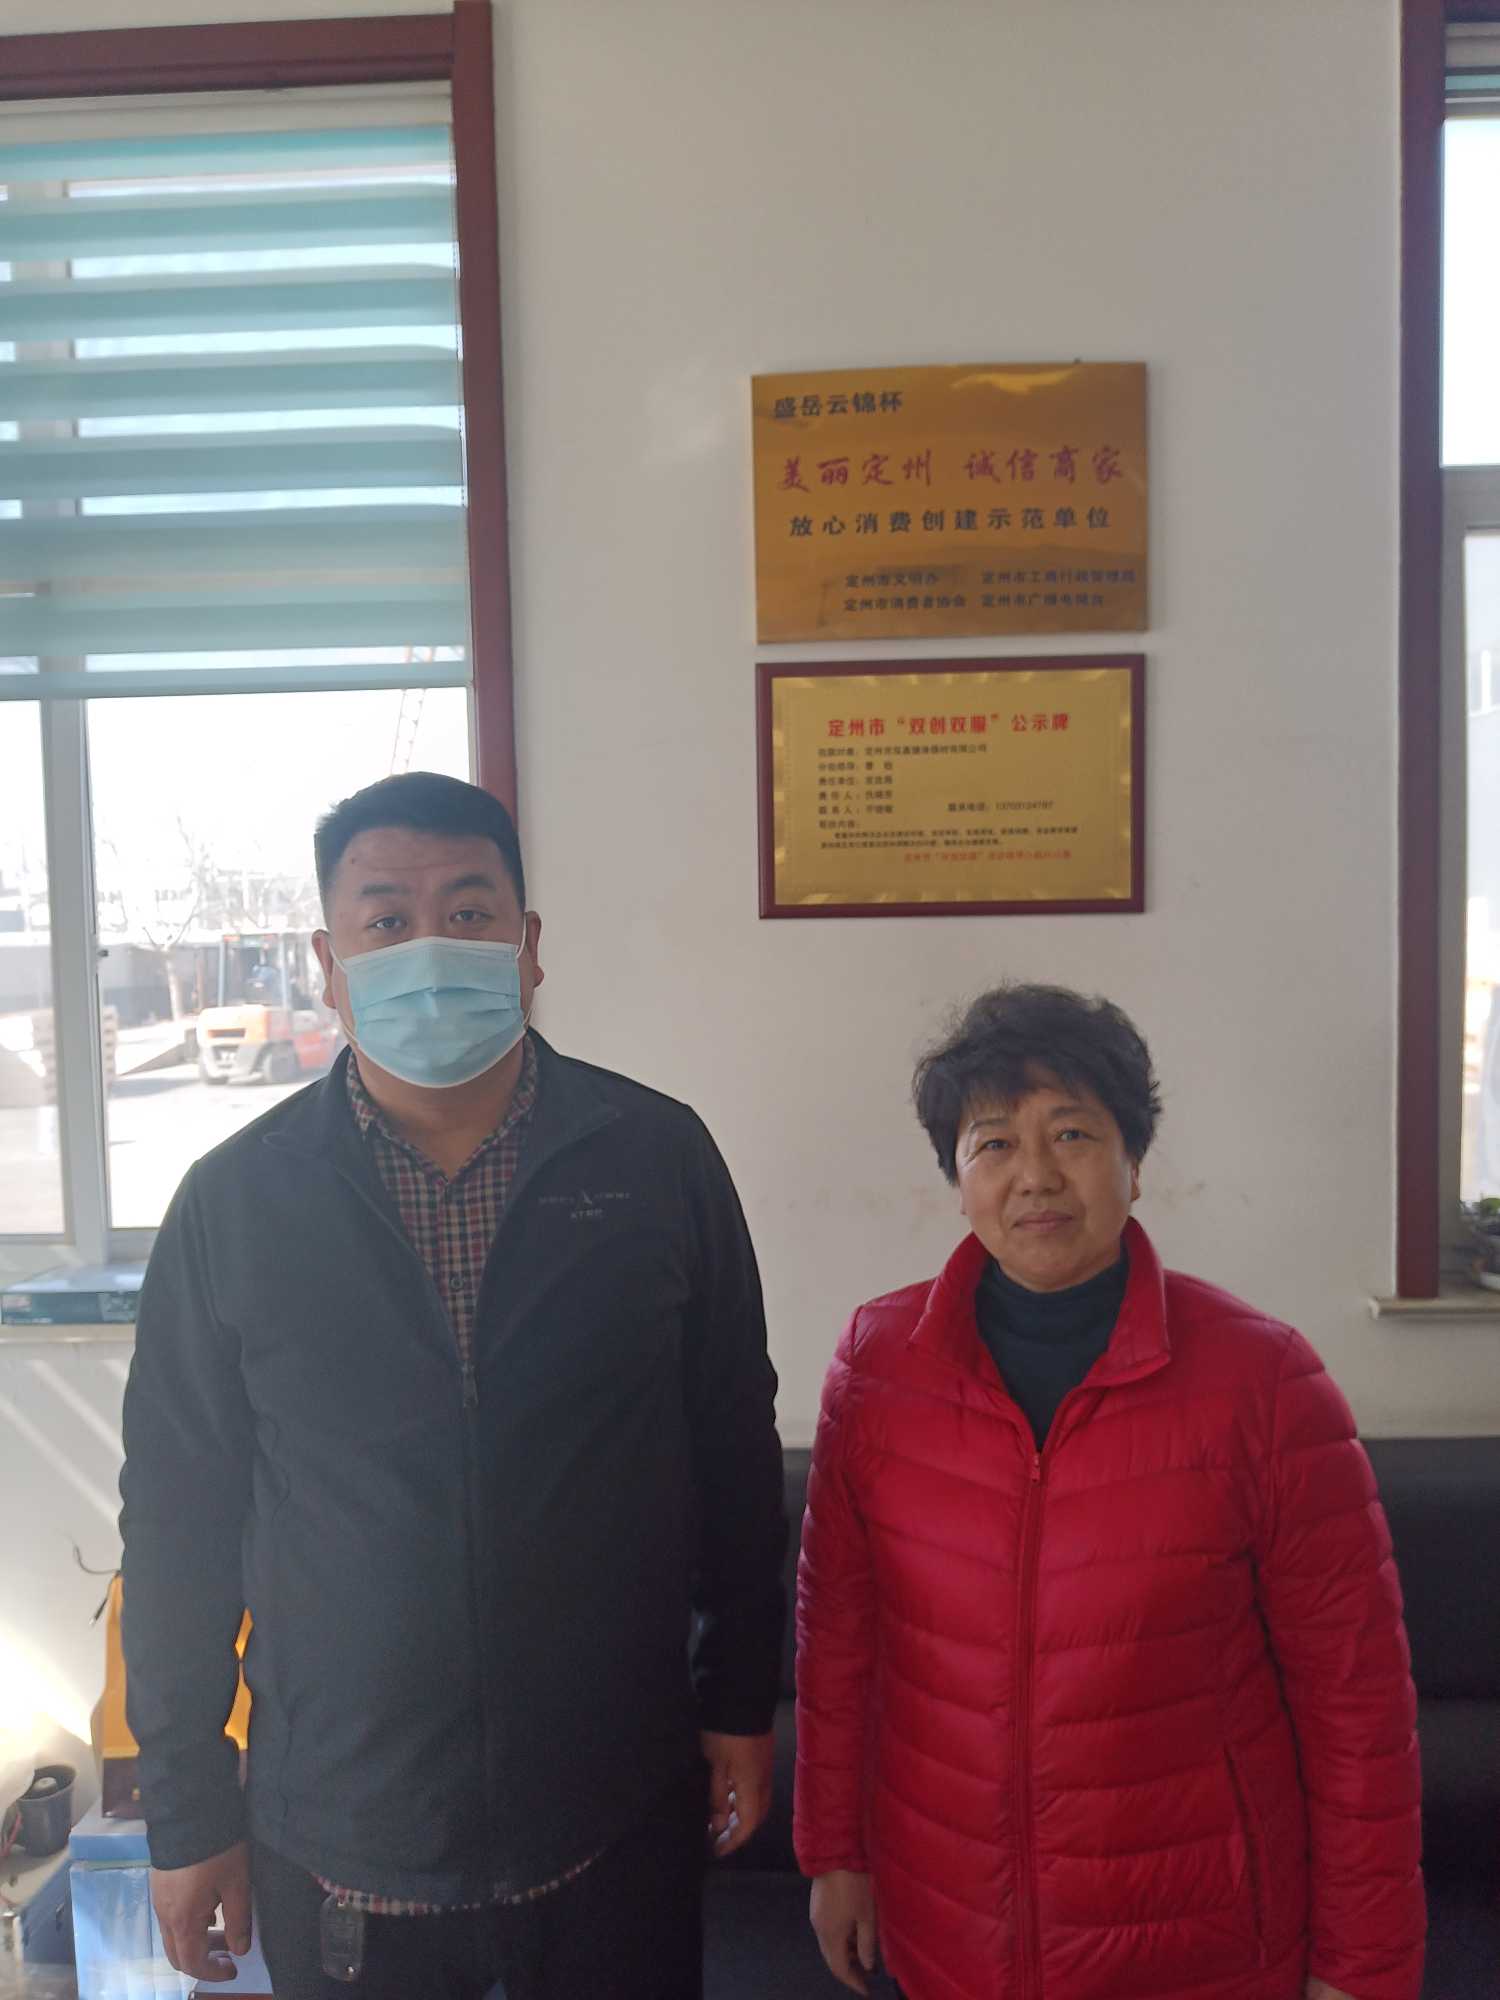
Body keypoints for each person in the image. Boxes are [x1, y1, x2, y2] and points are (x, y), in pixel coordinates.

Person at [120, 771, 786, 2000]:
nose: (429, 948)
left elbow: (734, 1449)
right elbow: (176, 1521)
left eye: (469, 912)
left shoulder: (657, 1158)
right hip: (342, 1841)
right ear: (328, 962)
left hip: (615, 1816)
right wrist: (186, 1806)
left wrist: (742, 1696)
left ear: (527, 945)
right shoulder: (235, 1203)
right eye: (386, 918)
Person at [795, 984, 1424, 2000]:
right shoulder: (878, 1368)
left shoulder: (1264, 1382)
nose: (1036, 1175)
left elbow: (1356, 1703)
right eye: (994, 1143)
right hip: (951, 1929)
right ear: (957, 1178)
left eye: (1073, 1133)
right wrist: (835, 1852)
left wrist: (1364, 1967)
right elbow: (838, 1638)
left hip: (1201, 1945)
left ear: (1135, 1160)